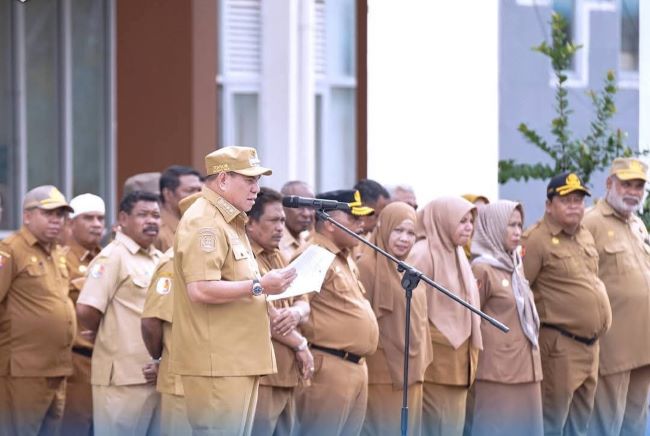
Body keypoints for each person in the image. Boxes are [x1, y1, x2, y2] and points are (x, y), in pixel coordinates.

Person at [171, 146, 297, 435]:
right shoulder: (205, 221)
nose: (256, 189)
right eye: (249, 180)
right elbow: (200, 289)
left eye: (258, 181)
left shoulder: (229, 220)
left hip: (237, 359)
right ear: (223, 179)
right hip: (218, 362)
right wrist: (260, 285)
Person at [522, 172, 611, 436]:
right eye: (566, 200)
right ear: (549, 205)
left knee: (579, 425)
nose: (574, 206)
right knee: (552, 423)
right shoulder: (535, 239)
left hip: (591, 347)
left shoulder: (584, 235)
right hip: (559, 348)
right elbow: (520, 292)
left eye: (579, 200)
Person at [76, 191, 163, 436]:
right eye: (143, 215)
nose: (151, 220)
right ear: (123, 218)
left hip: (156, 374)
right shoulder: (113, 257)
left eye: (155, 215)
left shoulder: (158, 259)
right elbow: (86, 309)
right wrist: (105, 332)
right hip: (122, 377)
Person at [293, 189, 379, 436]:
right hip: (329, 367)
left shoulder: (343, 256)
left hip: (355, 366)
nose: (361, 224)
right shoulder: (313, 255)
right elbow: (295, 306)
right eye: (353, 218)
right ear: (329, 222)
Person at [0, 186, 76, 436]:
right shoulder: (10, 250)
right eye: (48, 214)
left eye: (60, 215)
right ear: (27, 216)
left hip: (57, 368)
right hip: (23, 370)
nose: (56, 221)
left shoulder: (57, 252)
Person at [584, 158, 650, 436]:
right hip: (613, 348)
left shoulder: (638, 224)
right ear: (609, 184)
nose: (633, 192)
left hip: (643, 345)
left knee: (636, 424)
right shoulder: (591, 222)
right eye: (626, 184)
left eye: (638, 186)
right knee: (605, 425)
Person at [407, 196, 483, 436]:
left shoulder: (456, 251)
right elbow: (411, 311)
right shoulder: (422, 253)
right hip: (436, 366)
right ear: (443, 220)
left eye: (470, 221)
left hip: (460, 364)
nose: (469, 227)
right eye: (462, 221)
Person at [467, 200, 543, 436]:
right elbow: (470, 319)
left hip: (527, 368)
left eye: (520, 225)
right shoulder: (482, 269)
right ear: (494, 226)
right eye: (511, 225)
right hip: (498, 372)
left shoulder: (515, 265)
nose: (518, 231)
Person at [358, 202, 433, 436]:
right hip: (382, 373)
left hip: (413, 370)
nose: (404, 239)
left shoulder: (410, 269)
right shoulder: (366, 266)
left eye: (411, 233)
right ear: (384, 228)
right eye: (398, 230)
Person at [246, 187, 314, 436]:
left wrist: (297, 312)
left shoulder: (278, 256)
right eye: (273, 220)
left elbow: (304, 301)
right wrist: (300, 344)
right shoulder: (244, 259)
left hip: (288, 374)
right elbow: (265, 314)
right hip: (263, 376)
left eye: (283, 221)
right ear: (250, 223)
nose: (280, 228)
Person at [140, 193, 200, 436]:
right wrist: (159, 359)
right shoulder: (174, 262)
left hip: (212, 381)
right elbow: (151, 321)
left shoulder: (213, 260)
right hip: (182, 382)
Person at [61, 193, 106, 436]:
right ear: (71, 223)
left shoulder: (109, 257)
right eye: (88, 218)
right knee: (76, 426)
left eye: (100, 218)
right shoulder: (60, 260)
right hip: (78, 361)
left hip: (109, 361)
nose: (96, 224)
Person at [156, 165, 202, 252]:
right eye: (190, 190)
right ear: (168, 194)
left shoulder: (198, 222)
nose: (198, 195)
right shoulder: (157, 231)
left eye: (199, 190)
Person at [279, 180, 316, 263]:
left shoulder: (306, 239)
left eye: (310, 206)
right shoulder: (275, 243)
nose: (306, 214)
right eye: (299, 206)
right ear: (282, 205)